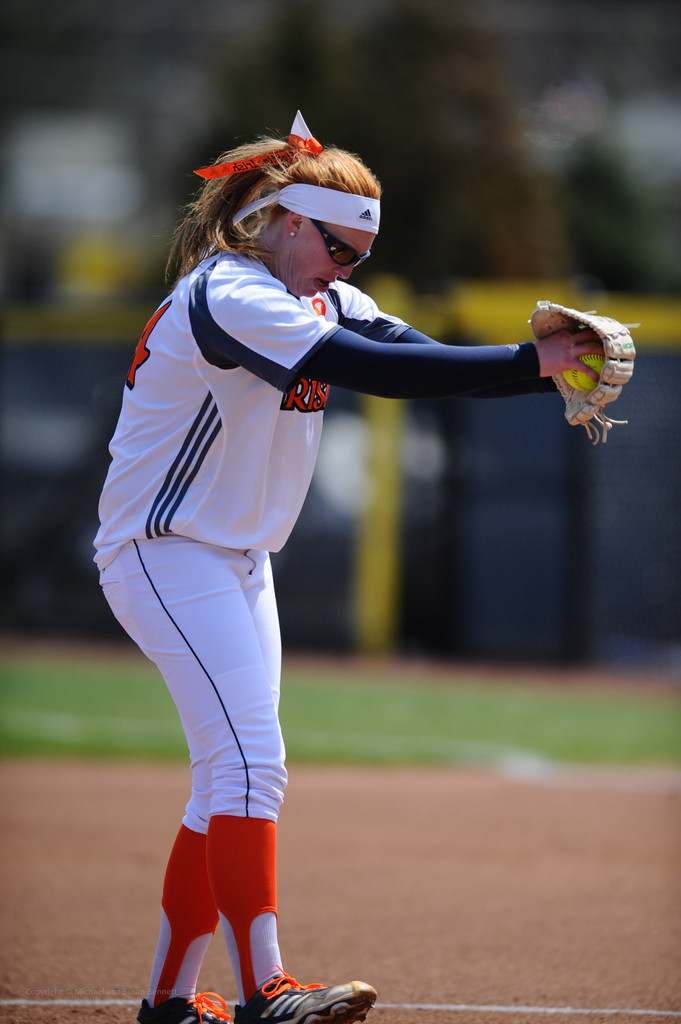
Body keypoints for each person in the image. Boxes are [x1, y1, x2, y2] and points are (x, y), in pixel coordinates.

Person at [93, 112, 604, 1024]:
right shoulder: (231, 294)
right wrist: (537, 357)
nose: (346, 268)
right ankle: (266, 992)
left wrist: (544, 371)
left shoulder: (319, 296)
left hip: (237, 562)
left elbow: (419, 357)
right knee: (253, 764)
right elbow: (369, 370)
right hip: (162, 551)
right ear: (287, 222)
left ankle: (170, 1005)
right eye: (337, 247)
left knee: (228, 777)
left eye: (359, 256)